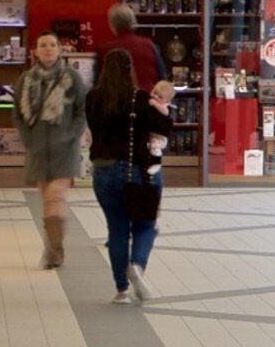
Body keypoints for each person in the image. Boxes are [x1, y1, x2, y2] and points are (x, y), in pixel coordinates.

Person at [85, 46, 170, 304]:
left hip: (103, 171)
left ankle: (121, 289)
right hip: (137, 171)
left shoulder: (93, 99)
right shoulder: (140, 99)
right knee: (145, 225)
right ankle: (137, 265)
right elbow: (164, 129)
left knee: (117, 230)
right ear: (129, 71)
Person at [18, 33, 87, 270]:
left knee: (55, 197)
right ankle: (55, 246)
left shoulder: (72, 78)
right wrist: (28, 139)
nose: (48, 49)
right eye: (42, 44)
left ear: (59, 49)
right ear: (35, 50)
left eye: (52, 45)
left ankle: (54, 251)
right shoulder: (26, 80)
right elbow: (18, 114)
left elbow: (82, 111)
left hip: (64, 149)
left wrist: (72, 135)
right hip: (37, 150)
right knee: (47, 203)